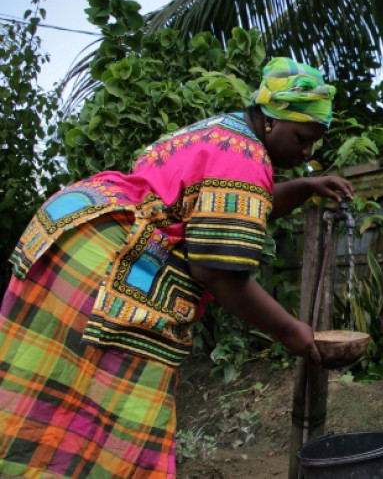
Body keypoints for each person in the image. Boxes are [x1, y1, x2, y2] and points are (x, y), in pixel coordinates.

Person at [0, 57, 353, 478]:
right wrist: (291, 331)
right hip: (106, 263)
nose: (307, 151)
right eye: (303, 137)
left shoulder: (223, 132)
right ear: (274, 122)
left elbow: (231, 208)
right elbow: (218, 273)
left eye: (314, 143)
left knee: (57, 388)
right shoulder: (243, 157)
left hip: (75, 238)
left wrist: (305, 186)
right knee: (117, 413)